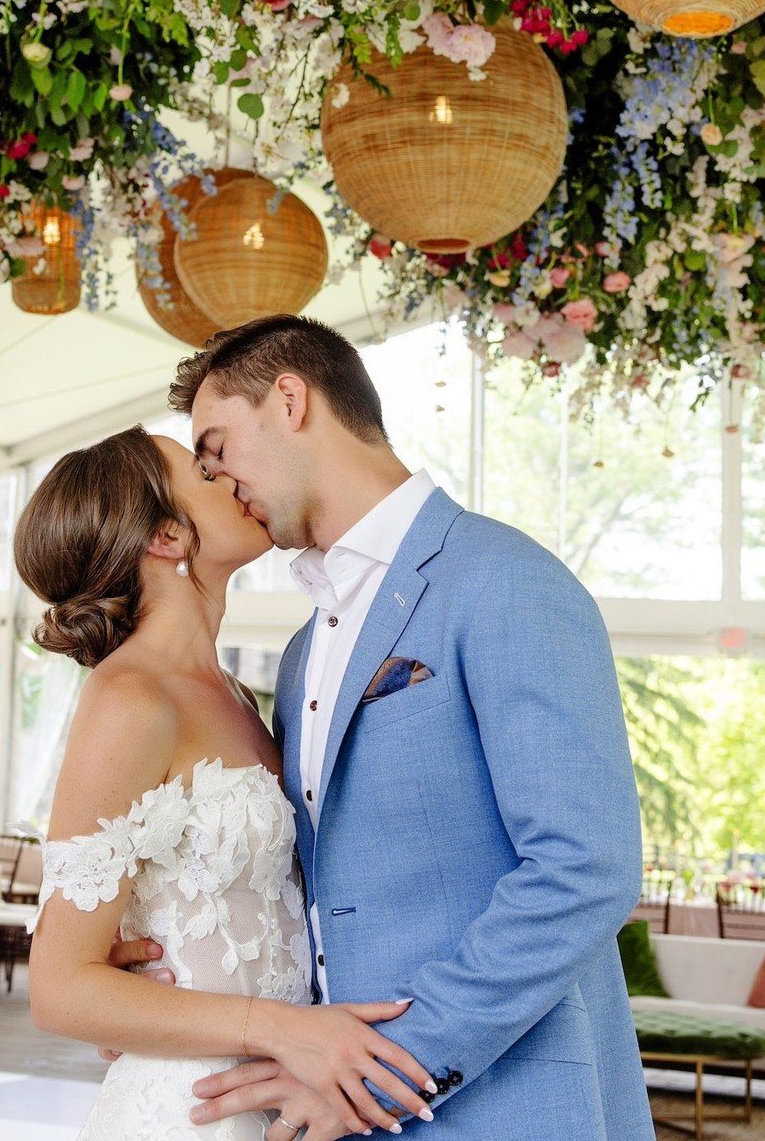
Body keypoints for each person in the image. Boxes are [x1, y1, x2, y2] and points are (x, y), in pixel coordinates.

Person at [162, 315, 655, 1141]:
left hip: (509, 1107)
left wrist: (392, 1070)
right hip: (340, 1110)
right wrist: (166, 972)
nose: (214, 477)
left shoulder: (504, 580)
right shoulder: (299, 652)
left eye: (216, 446)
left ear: (289, 400)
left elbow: (584, 868)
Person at [14, 423, 437, 1141]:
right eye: (205, 474)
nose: (234, 474)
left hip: (288, 1093)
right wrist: (279, 1027)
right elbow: (58, 987)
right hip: (192, 1107)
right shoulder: (129, 698)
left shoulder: (240, 694)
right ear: (168, 537)